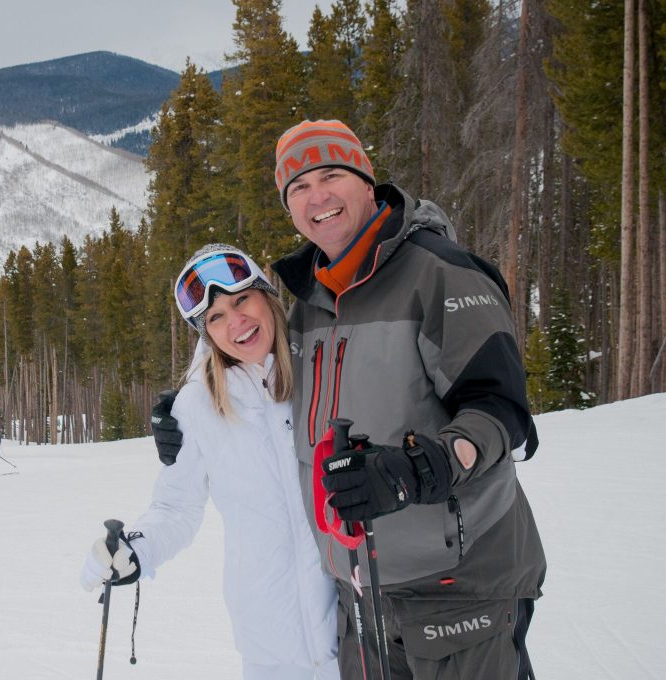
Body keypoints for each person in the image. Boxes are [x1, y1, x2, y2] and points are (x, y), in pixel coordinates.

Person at [152, 120, 546, 680]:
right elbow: (249, 357)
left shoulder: (441, 274)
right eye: (298, 188)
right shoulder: (311, 305)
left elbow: (501, 410)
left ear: (366, 181)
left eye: (331, 175)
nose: (317, 198)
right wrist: (180, 409)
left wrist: (421, 467)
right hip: (361, 598)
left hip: (457, 587)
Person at [82, 245, 340, 680]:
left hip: (353, 629)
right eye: (215, 317)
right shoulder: (199, 405)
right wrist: (135, 550)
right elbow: (176, 507)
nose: (235, 322)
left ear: (267, 295)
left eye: (241, 300)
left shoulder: (326, 368)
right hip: (269, 641)